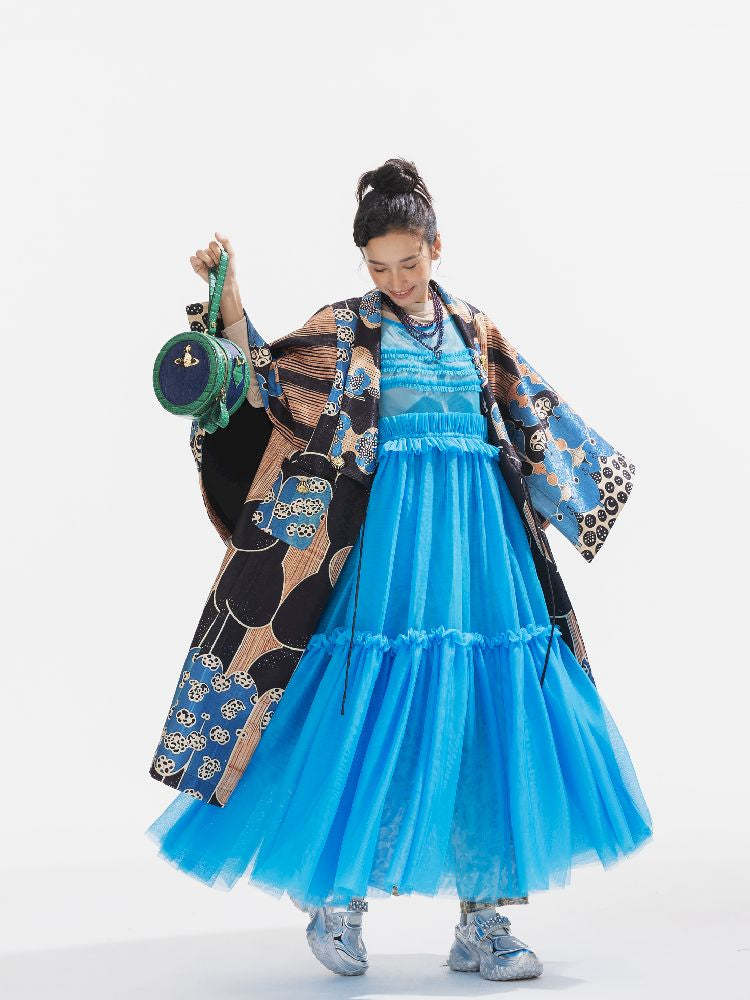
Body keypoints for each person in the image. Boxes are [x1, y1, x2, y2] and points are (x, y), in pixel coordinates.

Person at [145, 158, 653, 982]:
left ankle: (484, 921)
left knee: (491, 714)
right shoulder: (346, 329)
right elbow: (266, 385)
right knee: (358, 708)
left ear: (436, 247)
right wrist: (229, 305)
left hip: (481, 555)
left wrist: (592, 491)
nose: (396, 280)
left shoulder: (475, 330)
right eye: (379, 267)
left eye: (409, 262)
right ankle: (335, 897)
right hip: (383, 557)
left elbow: (530, 415)